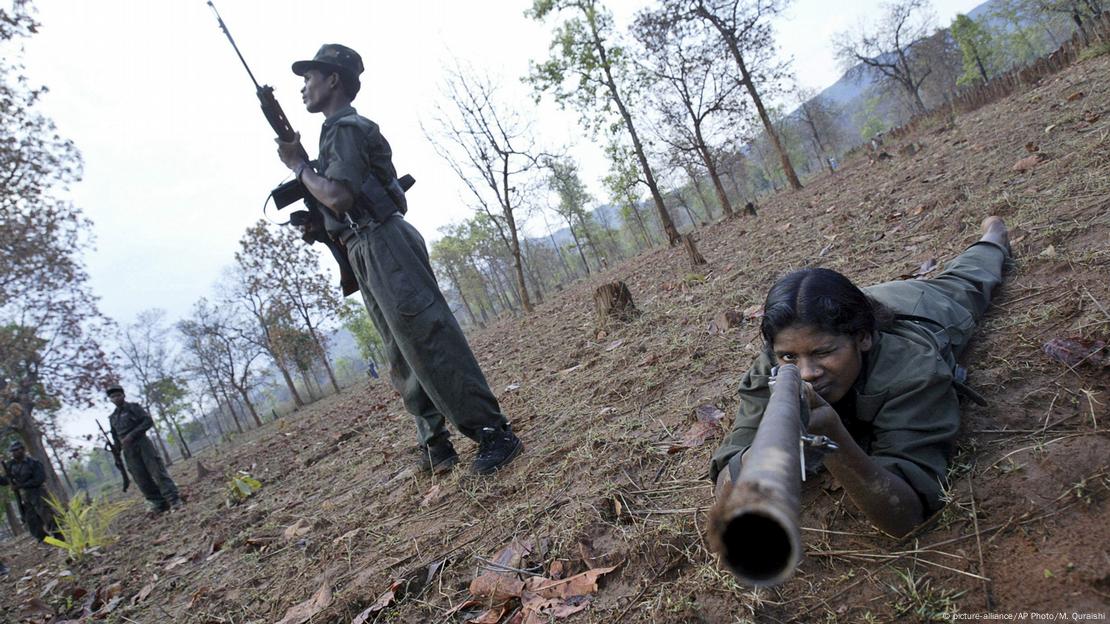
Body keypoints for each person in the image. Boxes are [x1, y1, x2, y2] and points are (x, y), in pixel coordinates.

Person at [274, 44, 523, 475]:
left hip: (382, 241)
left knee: (428, 337)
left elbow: (340, 194)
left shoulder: (346, 128)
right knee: (401, 351)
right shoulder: (332, 133)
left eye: (309, 78)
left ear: (333, 80)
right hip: (364, 247)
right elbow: (334, 201)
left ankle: (493, 433)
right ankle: (435, 444)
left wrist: (299, 167)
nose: (303, 87)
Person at [710, 217, 1011, 537]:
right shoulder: (775, 364)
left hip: (921, 306)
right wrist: (771, 436)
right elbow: (724, 475)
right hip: (841, 308)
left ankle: (994, 234)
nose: (807, 373)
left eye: (824, 353)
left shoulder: (913, 370)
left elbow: (906, 517)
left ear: (863, 338)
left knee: (975, 273)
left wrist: (831, 439)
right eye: (789, 357)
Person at [106, 385, 181, 513]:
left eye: (118, 395)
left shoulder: (134, 408)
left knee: (157, 471)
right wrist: (116, 450)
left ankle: (174, 500)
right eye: (113, 397)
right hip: (128, 450)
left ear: (123, 395)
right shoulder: (112, 417)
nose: (116, 398)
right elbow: (115, 436)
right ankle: (158, 503)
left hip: (142, 443)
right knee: (140, 477)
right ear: (110, 399)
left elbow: (147, 421)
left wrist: (132, 435)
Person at [0, 440, 58, 541]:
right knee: (31, 520)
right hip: (24, 497)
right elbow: (6, 480)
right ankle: (43, 540)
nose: (14, 453)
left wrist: (21, 485)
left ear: (22, 450)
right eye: (12, 451)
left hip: (38, 493)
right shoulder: (11, 465)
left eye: (16, 450)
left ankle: (59, 536)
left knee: (47, 516)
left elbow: (39, 479)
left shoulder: (34, 463)